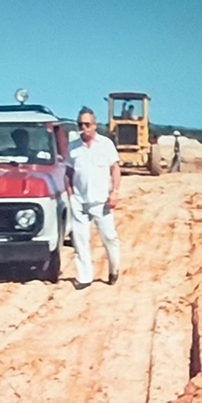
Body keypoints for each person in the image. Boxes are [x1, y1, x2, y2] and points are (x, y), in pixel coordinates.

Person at [65, 106, 121, 289]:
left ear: (95, 125)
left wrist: (115, 192)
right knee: (80, 240)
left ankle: (114, 269)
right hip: (79, 200)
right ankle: (85, 277)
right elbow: (68, 172)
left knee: (109, 237)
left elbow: (115, 169)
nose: (84, 128)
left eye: (87, 124)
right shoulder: (73, 147)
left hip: (101, 201)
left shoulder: (106, 145)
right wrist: (70, 193)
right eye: (80, 124)